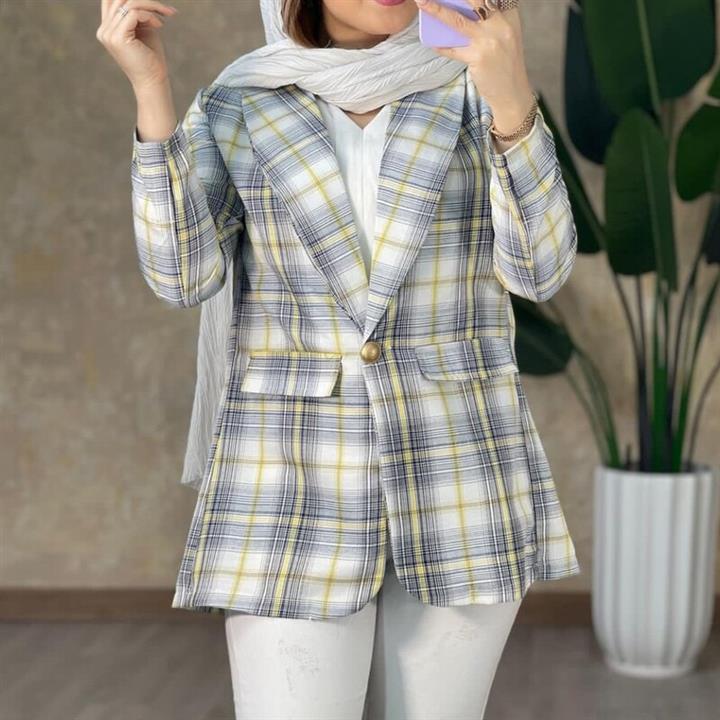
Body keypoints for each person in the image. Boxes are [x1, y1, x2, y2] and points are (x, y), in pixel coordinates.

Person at [97, 0, 581, 717]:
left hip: (461, 474)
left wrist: (512, 105)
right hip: (285, 482)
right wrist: (151, 91)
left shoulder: (476, 91)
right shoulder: (241, 101)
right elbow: (182, 277)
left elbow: (540, 273)